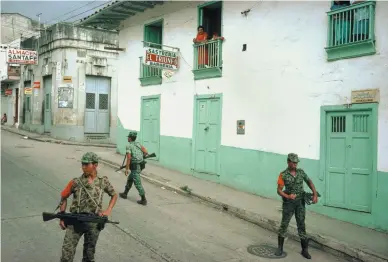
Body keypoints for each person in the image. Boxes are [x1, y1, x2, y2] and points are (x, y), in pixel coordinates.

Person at [58, 152, 118, 262]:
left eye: (86, 164)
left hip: (94, 222)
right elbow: (63, 197)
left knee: (89, 256)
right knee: (66, 254)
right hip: (75, 220)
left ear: (95, 165)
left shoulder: (102, 181)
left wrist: (108, 210)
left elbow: (114, 195)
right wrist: (62, 217)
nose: (83, 167)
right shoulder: (76, 182)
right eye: (82, 164)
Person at [275, 153, 318, 259]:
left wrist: (315, 194)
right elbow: (279, 190)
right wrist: (288, 196)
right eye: (293, 162)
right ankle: (280, 248)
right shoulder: (283, 175)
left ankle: (304, 250)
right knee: (284, 225)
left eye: (296, 162)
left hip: (300, 203)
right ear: (288, 162)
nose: (295, 164)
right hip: (289, 204)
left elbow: (309, 182)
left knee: (301, 225)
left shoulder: (301, 172)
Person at [119, 131, 149, 205]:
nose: (127, 138)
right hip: (140, 165)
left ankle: (143, 199)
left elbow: (129, 158)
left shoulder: (129, 146)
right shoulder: (138, 144)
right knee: (130, 179)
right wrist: (141, 157)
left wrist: (126, 169)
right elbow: (146, 151)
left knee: (137, 183)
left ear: (130, 138)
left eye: (128, 137)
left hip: (135, 167)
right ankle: (125, 194)